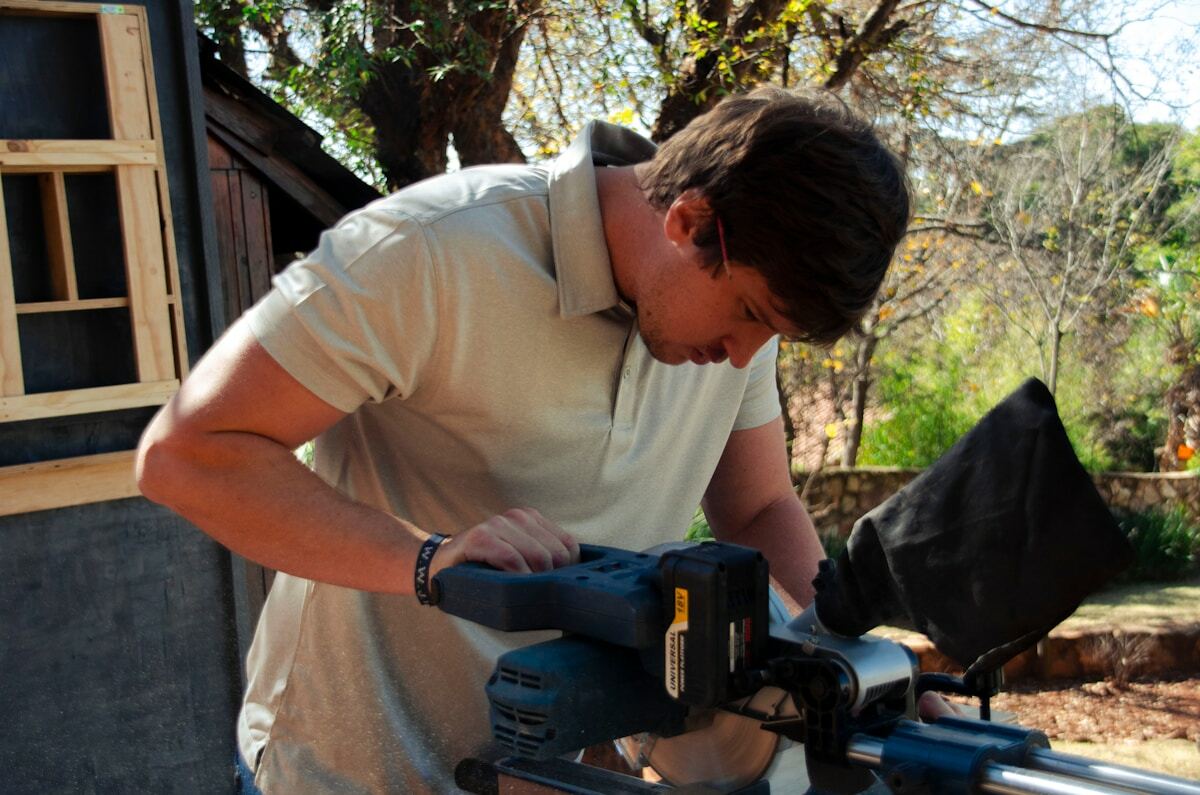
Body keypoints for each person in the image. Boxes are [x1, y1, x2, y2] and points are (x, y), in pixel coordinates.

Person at [136, 86, 911, 793]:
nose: (745, 355)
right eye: (748, 315)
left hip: (541, 771)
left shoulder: (737, 294)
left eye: (772, 333)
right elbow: (189, 453)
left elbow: (760, 507)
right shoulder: (427, 249)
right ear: (689, 222)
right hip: (341, 770)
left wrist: (848, 672)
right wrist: (426, 557)